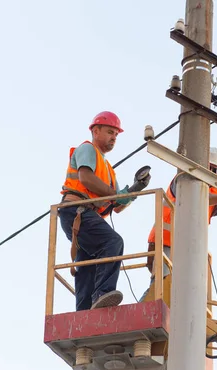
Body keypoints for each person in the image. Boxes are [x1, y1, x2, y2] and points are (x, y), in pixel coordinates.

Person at [141, 147, 217, 306]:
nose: (211, 174)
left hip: (188, 251)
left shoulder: (213, 191)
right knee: (161, 287)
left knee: (184, 292)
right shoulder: (183, 179)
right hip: (165, 242)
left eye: (215, 171)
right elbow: (196, 195)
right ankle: (142, 313)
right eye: (210, 169)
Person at [58, 111, 149, 311]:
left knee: (88, 263)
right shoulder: (87, 149)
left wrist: (134, 190)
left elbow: (116, 206)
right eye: (110, 132)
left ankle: (84, 311)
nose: (113, 137)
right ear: (96, 131)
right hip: (75, 210)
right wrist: (114, 195)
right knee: (112, 242)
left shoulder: (107, 168)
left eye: (116, 135)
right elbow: (86, 179)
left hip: (83, 214)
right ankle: (102, 293)